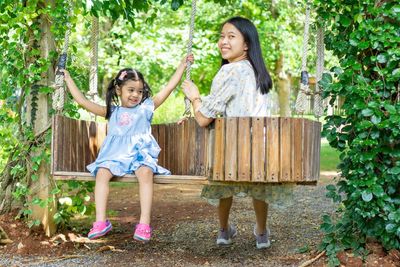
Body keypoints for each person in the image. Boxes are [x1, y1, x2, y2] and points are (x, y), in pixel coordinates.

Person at [60, 54, 193, 242]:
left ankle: (144, 223)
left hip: (139, 154)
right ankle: (101, 221)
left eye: (139, 91)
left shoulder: (146, 107)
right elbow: (83, 102)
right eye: (131, 90)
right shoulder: (112, 111)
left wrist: (182, 64)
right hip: (115, 156)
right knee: (102, 172)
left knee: (146, 172)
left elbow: (169, 87)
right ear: (118, 90)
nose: (135, 95)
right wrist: (67, 79)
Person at [182, 17, 285, 249]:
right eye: (221, 36)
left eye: (231, 36)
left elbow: (203, 118)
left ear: (246, 44)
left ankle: (224, 230)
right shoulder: (259, 74)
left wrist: (194, 97)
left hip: (233, 152)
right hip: (260, 148)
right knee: (258, 182)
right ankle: (261, 232)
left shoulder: (229, 71)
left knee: (223, 176)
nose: (223, 42)